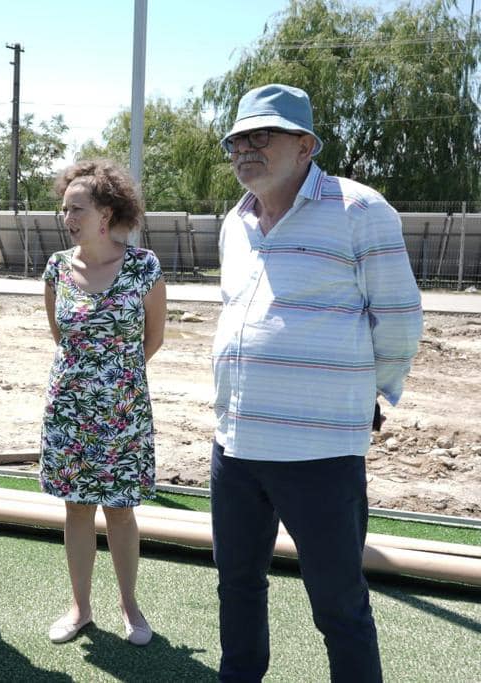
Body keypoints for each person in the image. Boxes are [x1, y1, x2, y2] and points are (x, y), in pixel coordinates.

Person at [211, 84, 423, 682]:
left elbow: (399, 321)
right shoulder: (235, 221)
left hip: (320, 451)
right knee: (237, 585)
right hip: (235, 445)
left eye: (261, 136)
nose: (245, 149)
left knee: (338, 603)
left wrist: (363, 395)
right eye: (237, 140)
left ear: (305, 146)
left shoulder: (359, 210)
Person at [40, 160, 166, 646]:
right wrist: (89, 379)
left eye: (77, 208)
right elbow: (61, 337)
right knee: (76, 508)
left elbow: (153, 339)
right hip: (69, 412)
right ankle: (80, 608)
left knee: (120, 510)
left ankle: (130, 606)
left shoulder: (144, 267)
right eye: (65, 208)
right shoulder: (56, 268)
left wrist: (114, 380)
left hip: (123, 414)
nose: (67, 217)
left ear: (106, 214)